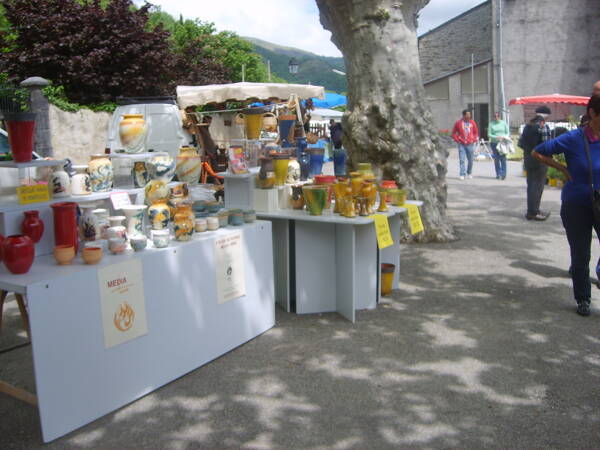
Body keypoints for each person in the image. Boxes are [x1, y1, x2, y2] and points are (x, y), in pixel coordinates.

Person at [532, 95, 600, 316]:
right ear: (592, 114)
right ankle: (583, 299)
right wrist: (562, 169)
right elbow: (538, 151)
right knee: (581, 254)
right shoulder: (574, 138)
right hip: (577, 205)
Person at [519, 114, 551, 220]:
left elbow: (520, 144)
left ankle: (532, 210)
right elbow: (547, 145)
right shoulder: (543, 128)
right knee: (537, 187)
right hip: (539, 161)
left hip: (528, 160)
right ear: (542, 121)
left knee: (531, 186)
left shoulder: (526, 128)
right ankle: (534, 212)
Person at [451, 109, 479, 180]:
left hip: (470, 143)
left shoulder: (472, 123)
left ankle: (469, 172)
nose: (469, 116)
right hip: (462, 144)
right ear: (464, 115)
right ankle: (462, 173)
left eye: (470, 114)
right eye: (467, 114)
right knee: (462, 159)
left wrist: (474, 139)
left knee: (470, 160)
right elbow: (454, 133)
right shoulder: (458, 123)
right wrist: (457, 140)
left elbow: (476, 132)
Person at [488, 112, 510, 180]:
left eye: (497, 116)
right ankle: (498, 173)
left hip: (502, 143)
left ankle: (503, 174)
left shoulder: (503, 123)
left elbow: (507, 132)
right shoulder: (491, 124)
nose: (496, 117)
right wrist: (496, 137)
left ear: (500, 117)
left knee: (503, 158)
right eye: (495, 116)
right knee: (497, 159)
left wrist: (504, 136)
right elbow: (489, 134)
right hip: (494, 143)